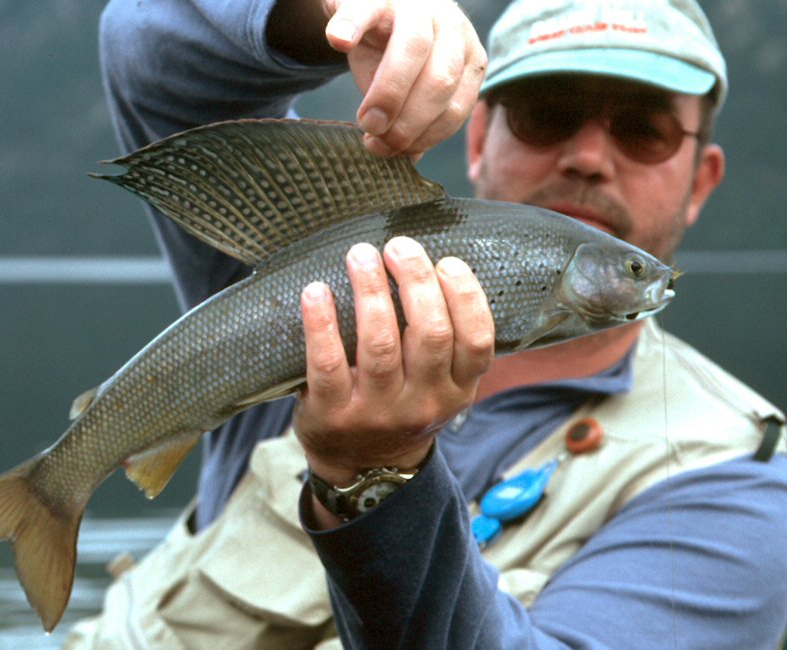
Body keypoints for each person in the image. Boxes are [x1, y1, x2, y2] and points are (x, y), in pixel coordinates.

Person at [65, 0, 787, 647]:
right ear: (477, 141)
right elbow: (145, 47)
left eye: (644, 131)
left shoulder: (735, 480)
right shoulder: (326, 262)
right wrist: (324, 15)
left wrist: (375, 480)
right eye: (546, 115)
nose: (589, 158)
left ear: (703, 180)